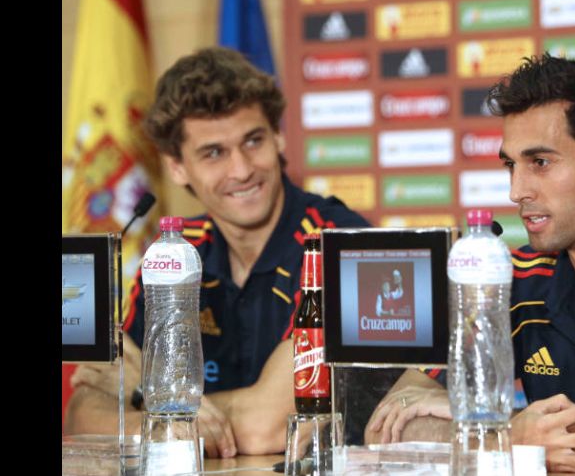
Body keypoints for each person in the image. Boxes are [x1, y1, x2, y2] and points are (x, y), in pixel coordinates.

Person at [365, 54, 575, 475]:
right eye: (511, 164)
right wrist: (508, 438)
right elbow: (388, 427)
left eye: (540, 163)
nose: (516, 190)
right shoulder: (519, 276)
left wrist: (502, 436)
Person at [64, 46, 369, 458]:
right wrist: (170, 419)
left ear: (278, 136)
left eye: (253, 141)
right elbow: (82, 415)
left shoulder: (336, 241)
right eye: (213, 153)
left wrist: (157, 410)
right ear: (176, 166)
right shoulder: (174, 254)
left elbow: (267, 425)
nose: (242, 169)